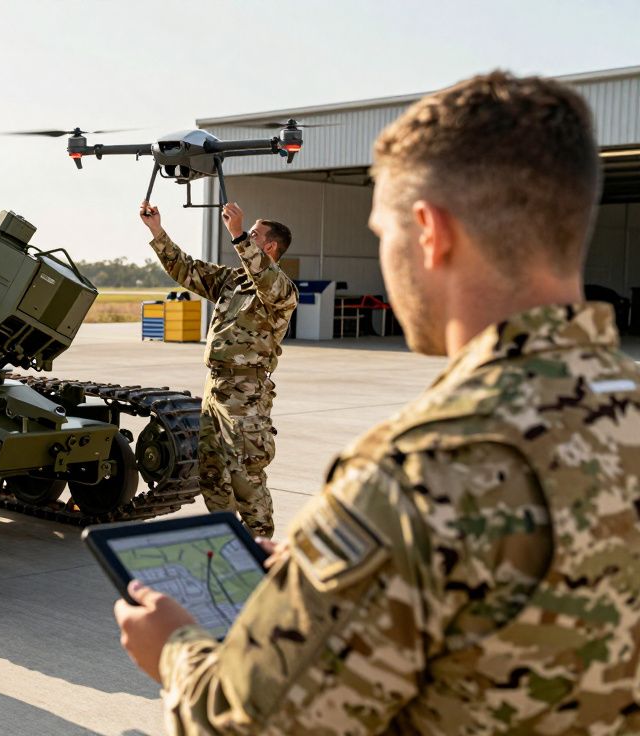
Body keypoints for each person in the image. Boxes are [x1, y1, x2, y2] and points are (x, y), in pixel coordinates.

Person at [115, 71, 640, 734]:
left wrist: (174, 651)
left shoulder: (414, 479)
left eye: (381, 232)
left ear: (430, 231)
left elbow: (247, 722)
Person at [141, 200, 298, 537]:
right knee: (212, 472)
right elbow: (186, 269)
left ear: (268, 246)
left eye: (254, 234)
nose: (244, 237)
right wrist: (157, 231)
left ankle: (260, 551)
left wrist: (238, 233)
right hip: (216, 389)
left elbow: (264, 277)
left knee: (246, 473)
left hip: (246, 395)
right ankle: (225, 542)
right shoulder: (232, 280)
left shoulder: (281, 290)